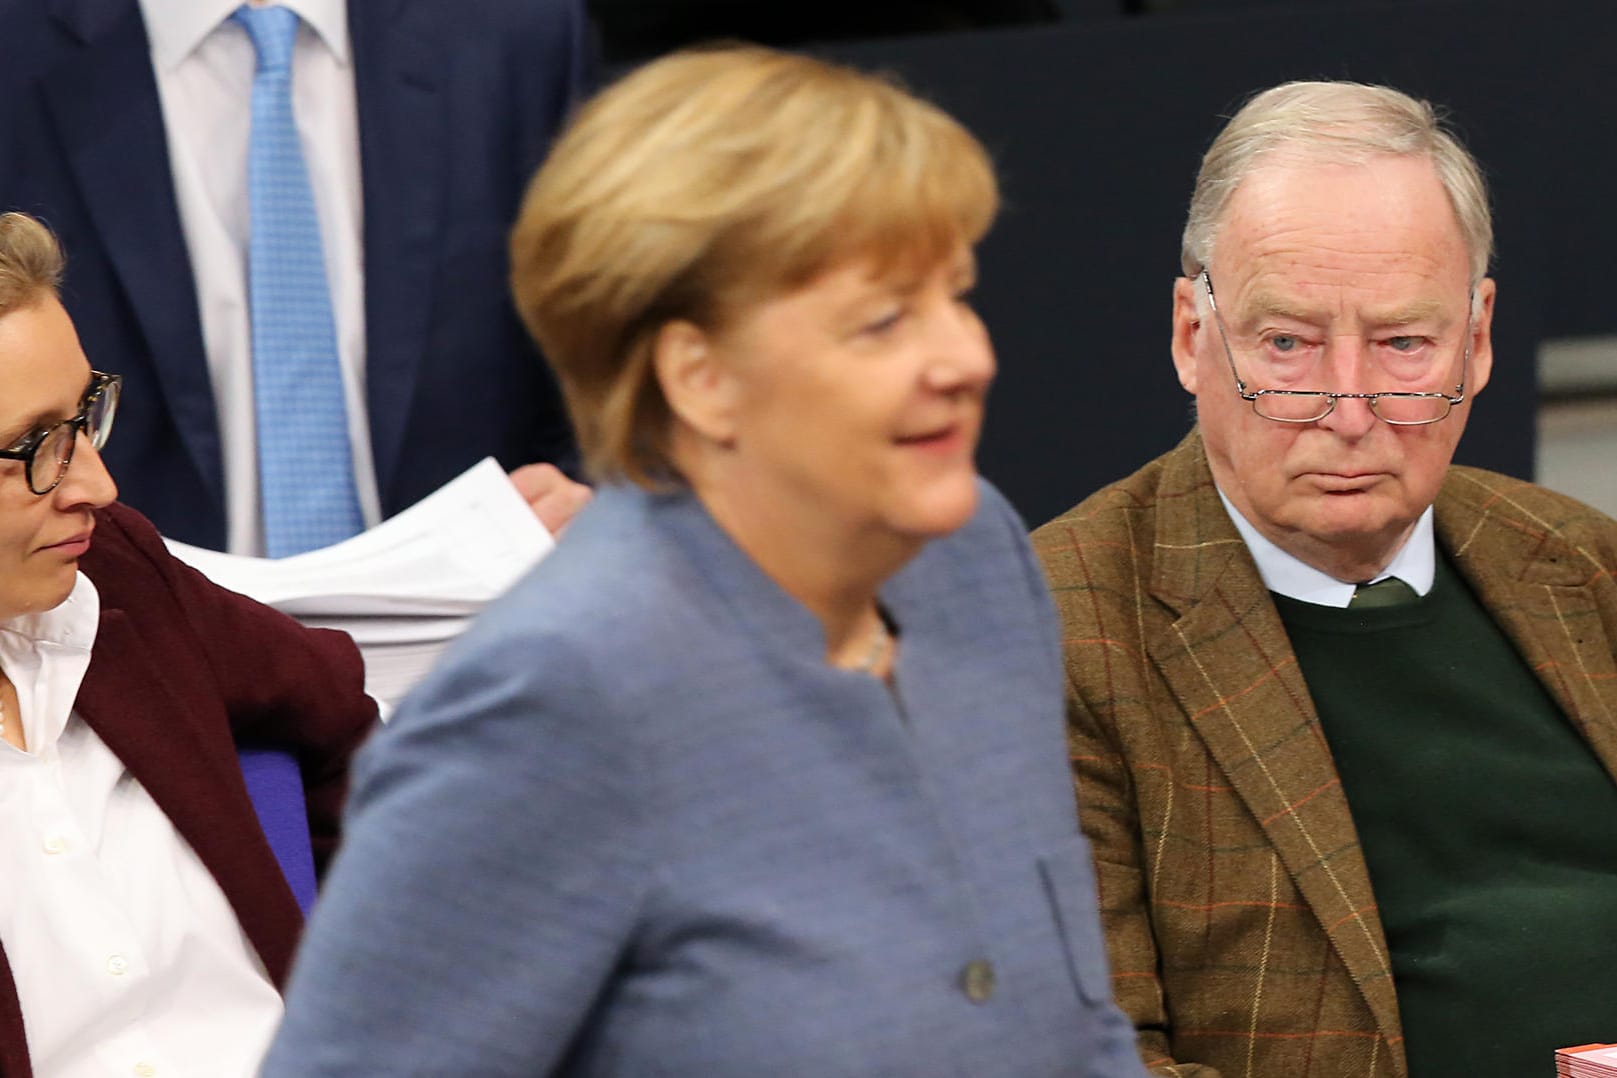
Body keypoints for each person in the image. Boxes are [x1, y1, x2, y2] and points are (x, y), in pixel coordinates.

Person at [262, 46, 1145, 1076]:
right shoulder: (553, 695)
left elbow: (1073, 1026)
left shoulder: (972, 554)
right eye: (886, 319)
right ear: (701, 378)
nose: (967, 357)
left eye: (957, 294)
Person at [1031, 81, 1617, 1077]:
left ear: (1476, 341)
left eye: (1402, 344)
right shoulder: (1059, 635)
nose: (1349, 408)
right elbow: (1087, 1060)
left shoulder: (1580, 563)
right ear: (1192, 336)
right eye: (1289, 345)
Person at [0, 0, 591, 554]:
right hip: (103, 631)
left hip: (476, 619)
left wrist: (594, 503)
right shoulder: (20, 46)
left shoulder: (514, 31)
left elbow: (612, 355)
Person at [0, 211, 376, 1076]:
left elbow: (352, 731)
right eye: (39, 449)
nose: (97, 482)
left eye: (86, 418)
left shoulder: (117, 572)